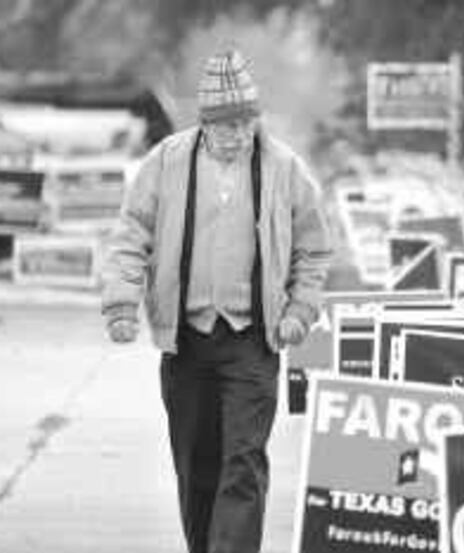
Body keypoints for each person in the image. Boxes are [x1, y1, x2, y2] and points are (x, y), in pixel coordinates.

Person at [101, 49, 333, 553]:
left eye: (248, 122)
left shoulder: (284, 168)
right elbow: (130, 235)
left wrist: (300, 311)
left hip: (252, 341)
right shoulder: (167, 162)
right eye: (229, 126)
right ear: (205, 124)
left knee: (243, 463)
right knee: (196, 464)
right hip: (187, 340)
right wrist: (120, 304)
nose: (241, 134)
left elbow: (314, 249)